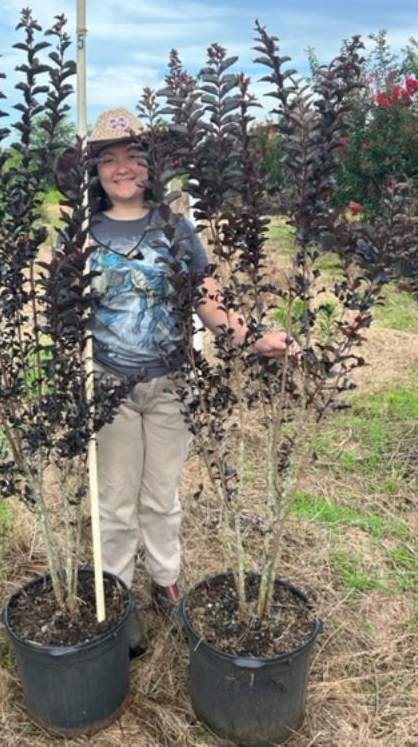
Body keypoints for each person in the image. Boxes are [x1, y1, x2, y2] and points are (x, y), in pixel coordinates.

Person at [57, 107, 297, 657]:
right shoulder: (83, 234)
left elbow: (208, 300)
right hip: (108, 390)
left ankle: (165, 581)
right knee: (116, 501)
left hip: (171, 386)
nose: (122, 169)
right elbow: (63, 311)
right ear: (94, 172)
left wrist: (252, 338)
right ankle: (115, 596)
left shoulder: (176, 228)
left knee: (161, 496)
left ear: (151, 167)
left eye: (134, 157)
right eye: (108, 159)